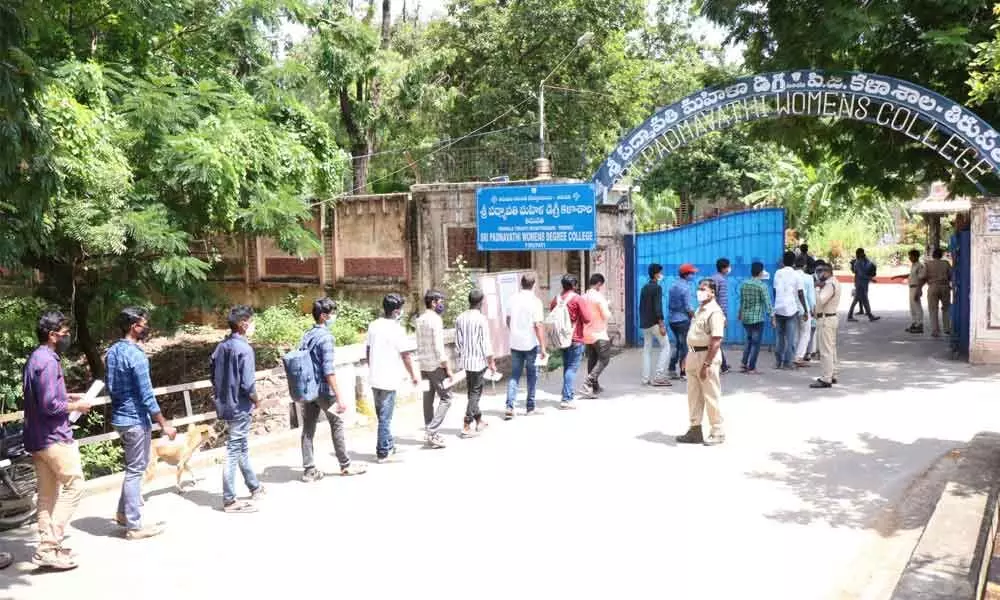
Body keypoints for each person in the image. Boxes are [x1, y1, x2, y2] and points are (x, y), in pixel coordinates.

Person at [23, 311, 91, 569]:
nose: (67, 337)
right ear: (52, 335)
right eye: (64, 333)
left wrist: (69, 396)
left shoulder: (35, 358)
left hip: (36, 438)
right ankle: (50, 544)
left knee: (47, 495)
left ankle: (46, 547)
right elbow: (50, 405)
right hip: (54, 437)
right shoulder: (50, 361)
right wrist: (79, 407)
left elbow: (41, 397)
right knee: (75, 485)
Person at [107, 307, 177, 540]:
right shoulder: (135, 355)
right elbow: (146, 395)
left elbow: (111, 386)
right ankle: (134, 526)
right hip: (135, 420)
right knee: (136, 471)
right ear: (131, 326)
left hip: (119, 417)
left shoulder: (113, 351)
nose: (145, 327)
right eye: (142, 324)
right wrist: (163, 424)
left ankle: (123, 514)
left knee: (132, 468)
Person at [297, 298, 367, 479]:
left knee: (308, 428)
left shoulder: (308, 334)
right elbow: (328, 371)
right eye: (332, 313)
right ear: (323, 316)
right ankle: (345, 465)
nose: (334, 316)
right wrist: (339, 396)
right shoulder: (326, 338)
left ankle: (309, 469)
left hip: (308, 389)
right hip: (324, 391)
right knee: (337, 424)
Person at [210, 305, 265, 513]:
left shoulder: (222, 346)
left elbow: (212, 372)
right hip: (240, 406)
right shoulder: (244, 349)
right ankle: (230, 499)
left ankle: (255, 487)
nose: (253, 326)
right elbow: (248, 384)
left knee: (241, 446)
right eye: (251, 322)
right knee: (234, 450)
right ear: (243, 324)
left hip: (226, 404)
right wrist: (256, 400)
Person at [366, 294, 419, 462]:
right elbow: (406, 355)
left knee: (381, 415)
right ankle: (382, 452)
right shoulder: (397, 329)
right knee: (385, 418)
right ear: (396, 311)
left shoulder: (373, 325)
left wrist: (372, 366)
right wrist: (413, 375)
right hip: (389, 379)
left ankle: (389, 445)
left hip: (375, 377)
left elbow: (368, 351)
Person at [676, 279, 726, 446]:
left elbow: (716, 340)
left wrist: (706, 364)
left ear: (712, 292)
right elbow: (694, 334)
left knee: (710, 395)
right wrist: (687, 356)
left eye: (703, 289)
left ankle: (717, 430)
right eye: (699, 289)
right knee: (693, 395)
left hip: (707, 356)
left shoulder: (714, 312)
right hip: (693, 354)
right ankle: (695, 429)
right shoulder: (700, 309)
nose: (700, 292)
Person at [505, 274, 548, 419]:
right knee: (532, 375)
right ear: (534, 284)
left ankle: (509, 406)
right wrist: (543, 346)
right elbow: (538, 325)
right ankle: (530, 407)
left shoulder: (512, 299)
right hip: (530, 344)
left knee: (514, 375)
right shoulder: (536, 301)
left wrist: (514, 333)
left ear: (521, 284)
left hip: (515, 343)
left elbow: (508, 319)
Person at [454, 289, 496, 436]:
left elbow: (457, 343)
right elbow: (485, 343)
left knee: (472, 392)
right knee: (475, 393)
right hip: (478, 361)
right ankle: (466, 424)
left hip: (466, 361)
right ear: (480, 302)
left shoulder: (460, 318)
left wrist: (461, 357)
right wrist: (491, 362)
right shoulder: (481, 319)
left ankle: (479, 420)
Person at [415, 290, 451, 448]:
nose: (441, 304)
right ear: (433, 303)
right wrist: (447, 367)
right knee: (447, 398)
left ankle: (431, 433)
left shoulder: (420, 319)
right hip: (436, 366)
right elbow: (438, 347)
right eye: (440, 301)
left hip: (423, 365)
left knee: (428, 400)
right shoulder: (435, 320)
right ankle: (431, 429)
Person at [549, 274, 591, 410]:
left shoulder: (556, 300)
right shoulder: (577, 299)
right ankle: (566, 399)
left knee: (567, 367)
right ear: (574, 285)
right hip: (575, 337)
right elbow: (587, 319)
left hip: (561, 338)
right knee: (572, 369)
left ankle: (567, 393)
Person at [772, 251, 808, 370]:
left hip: (779, 308)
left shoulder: (777, 273)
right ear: (793, 262)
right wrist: (806, 310)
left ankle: (778, 362)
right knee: (791, 338)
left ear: (783, 261)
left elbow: (775, 290)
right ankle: (788, 363)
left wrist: (776, 303)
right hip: (791, 309)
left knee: (779, 337)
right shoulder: (796, 275)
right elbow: (801, 293)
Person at [810, 263, 843, 388]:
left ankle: (826, 378)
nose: (818, 274)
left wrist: (817, 288)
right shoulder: (835, 282)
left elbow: (821, 300)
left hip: (826, 320)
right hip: (830, 318)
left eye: (820, 271)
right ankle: (832, 374)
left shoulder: (829, 285)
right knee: (831, 349)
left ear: (827, 272)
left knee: (825, 351)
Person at [638, 263, 671, 387]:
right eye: (660, 272)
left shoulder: (644, 288)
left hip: (645, 324)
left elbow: (641, 307)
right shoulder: (657, 288)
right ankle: (659, 376)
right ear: (656, 274)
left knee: (647, 350)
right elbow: (658, 307)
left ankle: (645, 379)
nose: (661, 275)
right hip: (655, 323)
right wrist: (661, 324)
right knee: (666, 346)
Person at [738, 262, 772, 374]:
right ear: (761, 272)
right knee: (756, 343)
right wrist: (772, 316)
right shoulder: (762, 286)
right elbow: (767, 303)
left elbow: (742, 301)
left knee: (748, 340)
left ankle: (743, 363)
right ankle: (751, 367)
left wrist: (740, 313)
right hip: (757, 318)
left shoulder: (744, 284)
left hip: (746, 317)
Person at [581, 273, 612, 398]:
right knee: (604, 359)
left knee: (592, 359)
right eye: (601, 285)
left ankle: (594, 387)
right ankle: (588, 381)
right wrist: (608, 306)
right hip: (599, 333)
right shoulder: (599, 297)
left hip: (587, 333)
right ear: (599, 284)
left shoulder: (583, 297)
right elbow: (606, 315)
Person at [668, 264, 699, 379]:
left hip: (672, 320)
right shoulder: (685, 288)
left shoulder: (673, 286)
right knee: (684, 347)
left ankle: (671, 369)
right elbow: (688, 307)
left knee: (678, 345)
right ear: (686, 274)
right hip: (682, 320)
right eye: (692, 273)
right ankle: (683, 372)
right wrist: (695, 318)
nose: (693, 275)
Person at [895, 249, 927, 334]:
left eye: (911, 256)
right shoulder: (913, 265)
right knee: (912, 307)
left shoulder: (920, 266)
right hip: (911, 287)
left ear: (916, 256)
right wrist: (899, 276)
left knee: (917, 307)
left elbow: (922, 278)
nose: (910, 258)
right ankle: (915, 323)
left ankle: (920, 324)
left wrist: (919, 290)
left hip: (916, 287)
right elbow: (911, 275)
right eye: (909, 256)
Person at [793, 255, 817, 367]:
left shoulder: (791, 275)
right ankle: (799, 357)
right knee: (805, 333)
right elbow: (810, 296)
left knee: (796, 333)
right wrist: (812, 310)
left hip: (792, 308)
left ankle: (793, 355)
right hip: (804, 308)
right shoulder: (808, 278)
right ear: (805, 266)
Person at [709, 258, 732, 373]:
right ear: (724, 268)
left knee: (714, 339)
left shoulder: (712, 278)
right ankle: (721, 365)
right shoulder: (722, 281)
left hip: (710, 312)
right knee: (717, 340)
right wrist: (724, 317)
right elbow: (722, 301)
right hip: (718, 314)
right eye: (728, 267)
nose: (729, 269)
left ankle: (723, 364)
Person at [924, 248, 953, 338]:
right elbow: (951, 275)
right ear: (941, 255)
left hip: (933, 287)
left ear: (933, 255)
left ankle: (935, 331)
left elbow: (924, 276)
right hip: (945, 287)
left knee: (933, 309)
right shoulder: (946, 263)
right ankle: (947, 328)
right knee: (946, 308)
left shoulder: (928, 264)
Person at [847, 248, 880, 322]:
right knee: (863, 300)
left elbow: (869, 266)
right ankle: (869, 316)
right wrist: (871, 279)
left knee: (858, 300)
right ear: (859, 254)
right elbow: (861, 275)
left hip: (863, 284)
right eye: (862, 253)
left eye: (863, 253)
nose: (863, 254)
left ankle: (851, 315)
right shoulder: (858, 263)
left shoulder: (862, 261)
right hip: (860, 284)